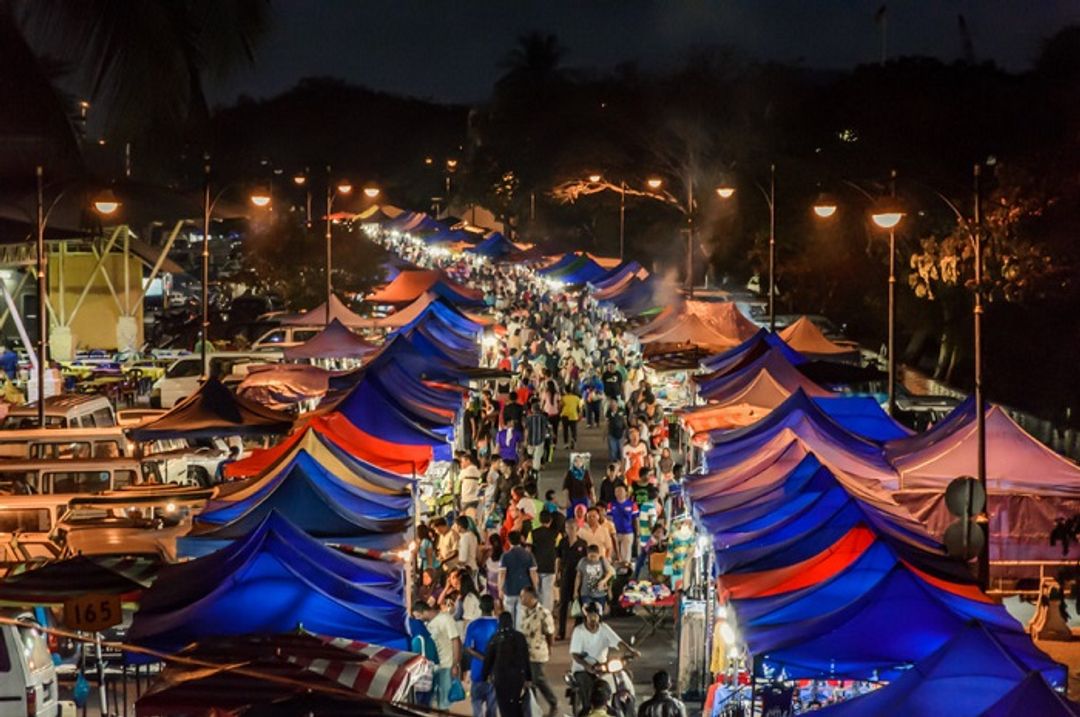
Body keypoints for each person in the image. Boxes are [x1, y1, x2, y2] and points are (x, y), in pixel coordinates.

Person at [570, 603, 639, 712]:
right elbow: (575, 654)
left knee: (625, 676)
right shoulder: (579, 631)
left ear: (599, 616)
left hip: (602, 666)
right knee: (587, 686)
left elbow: (618, 642)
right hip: (582, 669)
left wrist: (631, 651)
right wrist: (587, 666)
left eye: (595, 616)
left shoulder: (604, 629)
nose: (593, 618)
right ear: (586, 616)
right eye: (590, 615)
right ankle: (588, 711)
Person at [482, 611, 533, 717]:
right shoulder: (520, 637)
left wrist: (484, 676)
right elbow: (525, 658)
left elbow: (488, 660)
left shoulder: (495, 638)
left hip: (501, 678)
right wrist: (529, 678)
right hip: (517, 677)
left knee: (504, 705)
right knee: (515, 702)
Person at [518, 586, 559, 716]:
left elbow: (550, 633)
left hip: (538, 652)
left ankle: (553, 701)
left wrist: (550, 647)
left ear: (532, 597)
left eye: (523, 596)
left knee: (537, 679)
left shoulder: (543, 613)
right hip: (525, 653)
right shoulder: (525, 611)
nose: (521, 599)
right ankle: (533, 706)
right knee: (531, 680)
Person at [415, 598, 461, 710]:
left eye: (418, 616)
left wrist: (455, 664)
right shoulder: (426, 624)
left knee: (444, 702)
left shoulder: (445, 619)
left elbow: (456, 640)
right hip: (432, 667)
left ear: (424, 612)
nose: (418, 619)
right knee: (430, 700)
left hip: (446, 666)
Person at [464, 595, 499, 717]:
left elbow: (468, 647)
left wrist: (483, 658)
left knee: (476, 706)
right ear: (493, 607)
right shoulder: (498, 624)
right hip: (494, 672)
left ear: (479, 607)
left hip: (477, 671)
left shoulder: (473, 625)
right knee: (492, 708)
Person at [557, 519, 589, 640]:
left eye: (571, 528)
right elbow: (558, 558)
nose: (569, 531)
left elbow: (586, 561)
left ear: (577, 529)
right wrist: (557, 573)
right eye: (566, 528)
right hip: (565, 575)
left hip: (578, 576)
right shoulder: (562, 542)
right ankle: (561, 632)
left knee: (578, 604)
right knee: (563, 604)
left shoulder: (582, 544)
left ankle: (578, 631)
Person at [498, 530, 538, 626]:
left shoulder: (505, 556)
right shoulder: (528, 555)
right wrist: (535, 588)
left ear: (508, 541)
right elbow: (533, 574)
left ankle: (511, 636)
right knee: (521, 619)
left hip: (509, 590)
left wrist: (500, 589)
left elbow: (502, 575)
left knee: (509, 616)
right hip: (524, 590)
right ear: (521, 540)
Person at [408, 601, 440, 707]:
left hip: (418, 671)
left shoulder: (412, 628)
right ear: (419, 613)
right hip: (428, 669)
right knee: (425, 702)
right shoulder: (423, 631)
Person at [531, 510, 559, 613]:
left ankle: (537, 613)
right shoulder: (556, 534)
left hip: (536, 566)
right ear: (550, 520)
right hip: (550, 566)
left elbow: (529, 550)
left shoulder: (533, 533)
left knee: (537, 591)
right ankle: (547, 615)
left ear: (539, 520)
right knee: (548, 592)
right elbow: (557, 552)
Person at [575, 543, 615, 614]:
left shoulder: (602, 560)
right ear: (587, 555)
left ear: (598, 554)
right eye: (591, 556)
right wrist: (575, 591)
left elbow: (610, 573)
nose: (593, 559)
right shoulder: (583, 561)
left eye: (595, 556)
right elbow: (578, 577)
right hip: (586, 593)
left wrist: (603, 581)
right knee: (587, 612)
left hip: (600, 593)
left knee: (599, 613)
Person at [608, 482, 639, 565]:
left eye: (621, 491)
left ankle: (624, 575)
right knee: (613, 555)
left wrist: (638, 532)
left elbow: (636, 519)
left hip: (627, 533)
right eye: (617, 491)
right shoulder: (611, 505)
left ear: (626, 492)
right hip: (614, 534)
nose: (619, 493)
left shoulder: (632, 504)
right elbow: (609, 519)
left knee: (625, 556)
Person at [563, 454, 595, 518]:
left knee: (585, 515)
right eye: (575, 461)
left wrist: (593, 496)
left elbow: (590, 485)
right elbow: (566, 487)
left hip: (584, 497)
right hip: (573, 498)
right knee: (572, 516)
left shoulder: (586, 472)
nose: (578, 463)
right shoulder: (570, 473)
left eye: (579, 461)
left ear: (582, 463)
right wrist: (567, 499)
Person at [525, 400, 550, 467]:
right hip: (540, 439)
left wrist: (525, 440)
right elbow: (548, 427)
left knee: (530, 453)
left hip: (530, 440)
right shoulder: (543, 418)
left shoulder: (529, 418)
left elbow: (526, 430)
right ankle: (535, 469)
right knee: (537, 456)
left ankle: (532, 465)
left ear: (532, 410)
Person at [560, 384, 583, 449]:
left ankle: (566, 444)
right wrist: (580, 414)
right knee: (574, 430)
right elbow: (580, 408)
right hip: (574, 415)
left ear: (565, 391)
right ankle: (573, 440)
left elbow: (560, 406)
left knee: (565, 430)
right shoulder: (576, 398)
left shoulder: (563, 398)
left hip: (565, 415)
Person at [606, 398, 627, 463]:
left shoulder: (622, 411)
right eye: (611, 404)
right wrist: (605, 433)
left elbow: (625, 421)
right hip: (611, 434)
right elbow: (607, 423)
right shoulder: (608, 412)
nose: (613, 405)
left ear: (617, 404)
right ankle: (614, 464)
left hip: (621, 433)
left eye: (614, 404)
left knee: (621, 450)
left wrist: (626, 430)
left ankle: (620, 464)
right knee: (613, 450)